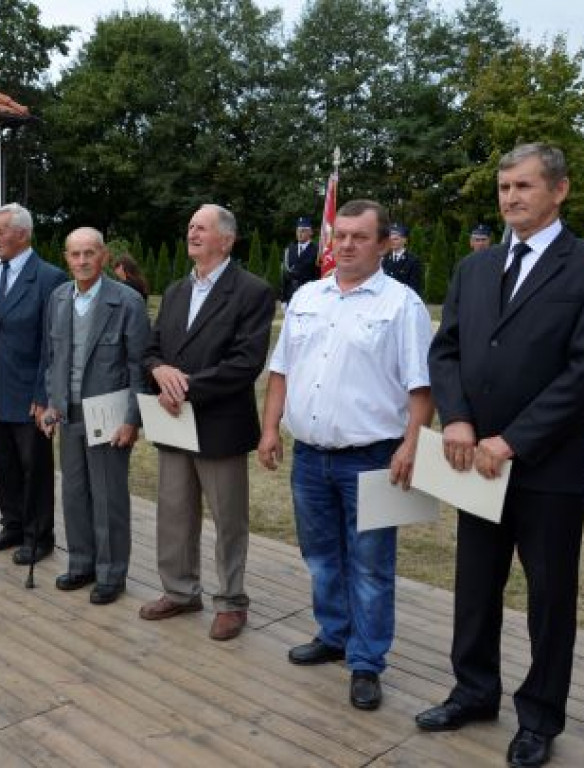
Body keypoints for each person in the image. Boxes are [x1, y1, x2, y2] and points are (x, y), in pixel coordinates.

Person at [418, 143, 584, 768]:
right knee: (475, 586)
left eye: (524, 186)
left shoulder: (580, 266)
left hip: (551, 469)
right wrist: (457, 418)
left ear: (559, 190)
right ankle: (474, 690)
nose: (511, 197)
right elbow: (448, 351)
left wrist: (512, 439)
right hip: (472, 464)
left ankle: (540, 717)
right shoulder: (475, 270)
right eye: (504, 187)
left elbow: (580, 372)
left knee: (548, 600)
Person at [258, 199, 434, 711]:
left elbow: (421, 386)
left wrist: (412, 444)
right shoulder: (308, 297)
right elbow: (282, 371)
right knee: (321, 558)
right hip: (311, 457)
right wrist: (270, 428)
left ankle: (366, 661)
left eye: (361, 237)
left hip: (374, 456)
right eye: (341, 236)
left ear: (383, 244)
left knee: (372, 566)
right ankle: (334, 634)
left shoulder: (402, 305)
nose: (348, 245)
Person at [139, 204, 275, 641]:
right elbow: (151, 349)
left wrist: (185, 388)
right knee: (174, 513)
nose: (192, 233)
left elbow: (245, 363)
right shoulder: (177, 290)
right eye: (190, 226)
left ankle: (231, 600)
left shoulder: (252, 291)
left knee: (228, 518)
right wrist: (158, 371)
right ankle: (180, 591)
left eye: (202, 227)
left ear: (227, 239)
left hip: (220, 424)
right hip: (174, 423)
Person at [40, 227, 150, 604]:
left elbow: (139, 367)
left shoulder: (127, 301)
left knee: (108, 497)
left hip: (108, 414)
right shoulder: (56, 298)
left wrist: (132, 419)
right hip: (66, 413)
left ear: (103, 256)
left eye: (90, 253)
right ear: (66, 258)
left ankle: (111, 572)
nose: (82, 261)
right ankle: (81, 563)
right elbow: (51, 358)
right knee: (73, 493)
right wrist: (50, 403)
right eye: (75, 254)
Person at [0, 203, 67, 565]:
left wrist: (43, 395)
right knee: (1, 464)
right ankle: (12, 524)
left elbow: (52, 343)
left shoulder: (50, 278)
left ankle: (38, 535)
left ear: (23, 234)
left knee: (35, 470)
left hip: (29, 394)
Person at [281, 216, 319, 303]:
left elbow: (318, 275)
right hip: (291, 295)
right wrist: (283, 298)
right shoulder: (290, 249)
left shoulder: (317, 250)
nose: (300, 233)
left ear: (310, 232)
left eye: (303, 231)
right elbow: (285, 276)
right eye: (298, 231)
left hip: (309, 294)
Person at [382, 224, 423, 295]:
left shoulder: (412, 261)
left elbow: (414, 287)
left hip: (404, 300)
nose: (392, 242)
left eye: (396, 239)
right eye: (390, 239)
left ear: (404, 240)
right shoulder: (385, 260)